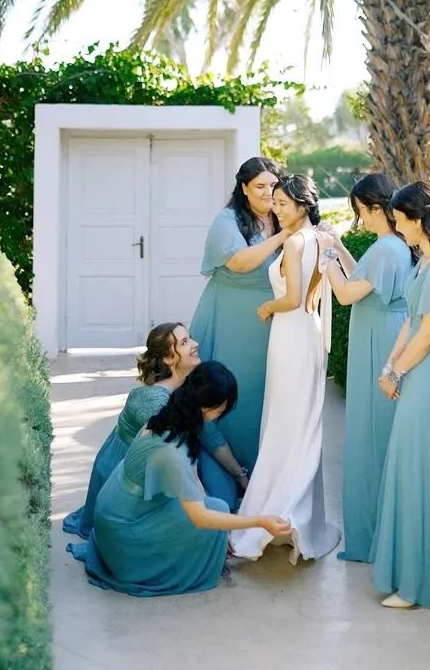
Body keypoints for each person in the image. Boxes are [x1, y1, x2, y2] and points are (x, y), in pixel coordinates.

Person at [68, 361, 292, 597]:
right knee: (214, 515)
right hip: (124, 532)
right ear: (211, 407)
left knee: (216, 507)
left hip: (114, 510)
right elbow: (200, 518)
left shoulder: (169, 416)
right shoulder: (171, 451)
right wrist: (260, 521)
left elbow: (193, 479)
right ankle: (156, 563)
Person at [229, 174, 340, 563]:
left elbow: (292, 298)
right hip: (306, 336)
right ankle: (295, 515)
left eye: (282, 203)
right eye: (273, 202)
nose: (275, 208)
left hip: (291, 333)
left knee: (285, 423)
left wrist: (266, 307)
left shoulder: (294, 242)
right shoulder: (322, 239)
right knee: (298, 422)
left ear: (303, 205)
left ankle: (285, 513)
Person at [371, 181, 430, 609]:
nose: (396, 226)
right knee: (412, 466)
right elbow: (410, 323)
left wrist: (398, 370)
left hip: (429, 373)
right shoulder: (424, 263)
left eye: (400, 219)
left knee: (418, 467)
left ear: (417, 220)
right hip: (416, 369)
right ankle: (418, 573)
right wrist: (389, 367)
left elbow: (429, 331)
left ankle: (418, 583)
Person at [62, 323, 246, 539]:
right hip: (127, 472)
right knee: (205, 510)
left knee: (223, 493)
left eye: (190, 338)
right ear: (169, 359)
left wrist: (241, 477)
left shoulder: (187, 385)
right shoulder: (155, 403)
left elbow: (210, 434)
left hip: (164, 459)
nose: (195, 344)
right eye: (185, 342)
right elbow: (180, 462)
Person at [319, 172, 413, 563]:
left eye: (361, 212)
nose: (360, 219)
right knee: (379, 430)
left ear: (377, 208)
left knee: (371, 433)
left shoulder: (387, 249)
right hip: (384, 331)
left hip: (379, 341)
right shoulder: (390, 247)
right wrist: (339, 246)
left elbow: (344, 294)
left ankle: (374, 535)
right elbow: (364, 276)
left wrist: (323, 257)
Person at [190, 156, 288, 471]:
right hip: (229, 318)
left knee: (262, 395)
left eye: (273, 185)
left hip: (269, 321)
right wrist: (285, 235)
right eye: (259, 186)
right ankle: (225, 470)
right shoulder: (227, 220)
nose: (267, 193)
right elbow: (240, 262)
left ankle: (260, 473)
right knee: (228, 393)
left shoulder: (282, 216)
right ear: (244, 188)